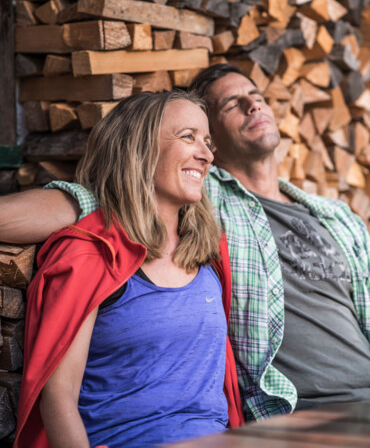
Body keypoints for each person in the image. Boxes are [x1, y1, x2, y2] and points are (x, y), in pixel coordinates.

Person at [2, 64, 369, 422]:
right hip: (307, 412)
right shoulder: (203, 198)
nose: (252, 105)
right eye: (231, 103)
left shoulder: (336, 216)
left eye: (256, 95)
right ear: (215, 145)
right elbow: (100, 197)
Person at [14, 90, 244, 448]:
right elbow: (58, 400)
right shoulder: (89, 255)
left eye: (208, 142)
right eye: (188, 137)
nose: (207, 154)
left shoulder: (209, 253)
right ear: (138, 149)